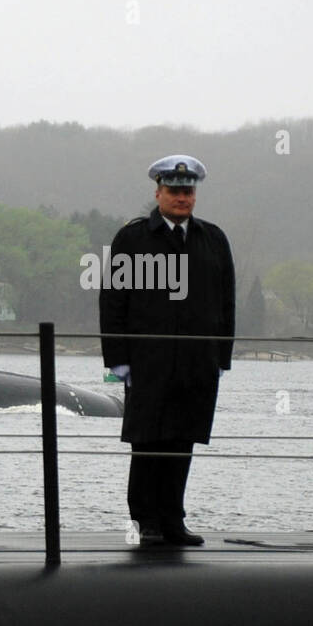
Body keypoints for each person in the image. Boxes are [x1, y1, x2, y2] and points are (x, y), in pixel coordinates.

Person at [99, 155, 235, 547]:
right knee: (148, 440)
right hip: (147, 362)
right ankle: (146, 520)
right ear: (158, 192)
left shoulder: (214, 240)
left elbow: (227, 305)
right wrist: (117, 361)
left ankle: (173, 518)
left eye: (188, 191)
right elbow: (113, 304)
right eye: (174, 191)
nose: (182, 198)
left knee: (182, 439)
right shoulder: (134, 238)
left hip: (197, 362)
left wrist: (221, 358)